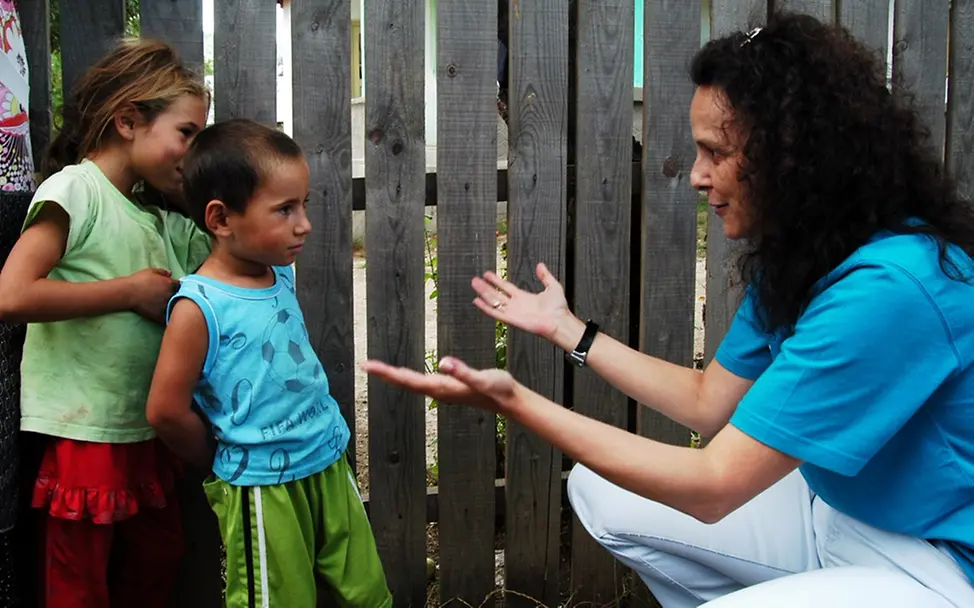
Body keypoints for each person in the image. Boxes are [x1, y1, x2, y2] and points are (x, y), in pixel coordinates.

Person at [363, 12, 974, 607]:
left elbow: (714, 488)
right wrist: (568, 330)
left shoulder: (891, 289)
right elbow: (710, 404)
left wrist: (515, 401)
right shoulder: (811, 253)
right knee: (600, 490)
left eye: (717, 152)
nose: (697, 177)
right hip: (835, 511)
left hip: (935, 559)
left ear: (795, 154)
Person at [146, 119, 392, 608]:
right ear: (220, 220)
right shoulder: (199, 307)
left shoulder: (278, 273)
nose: (304, 223)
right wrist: (220, 458)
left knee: (368, 591)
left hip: (326, 458)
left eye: (304, 205)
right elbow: (164, 411)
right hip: (262, 487)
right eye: (284, 209)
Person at [0, 38, 211, 607]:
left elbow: (225, 251)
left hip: (142, 429)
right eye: (187, 133)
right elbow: (12, 294)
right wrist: (131, 291)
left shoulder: (151, 213)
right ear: (127, 121)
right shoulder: (77, 190)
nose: (193, 152)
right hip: (86, 431)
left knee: (158, 557)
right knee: (79, 579)